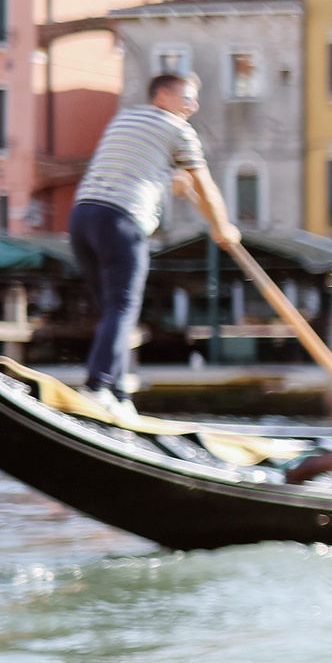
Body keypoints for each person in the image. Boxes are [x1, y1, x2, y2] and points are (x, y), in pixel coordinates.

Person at [67, 70, 234, 409]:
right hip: (121, 220)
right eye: (187, 98)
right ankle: (97, 387)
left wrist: (171, 177)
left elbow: (135, 165)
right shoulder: (179, 130)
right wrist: (223, 227)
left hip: (82, 216)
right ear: (162, 96)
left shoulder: (124, 120)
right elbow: (205, 186)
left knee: (111, 310)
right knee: (122, 307)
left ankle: (117, 394)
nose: (193, 106)